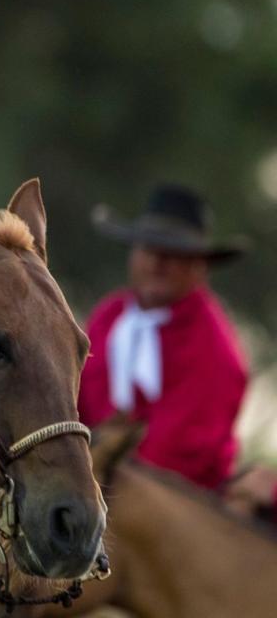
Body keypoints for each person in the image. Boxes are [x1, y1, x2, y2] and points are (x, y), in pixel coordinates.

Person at [77, 184, 249, 491]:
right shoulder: (109, 316)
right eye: (148, 249)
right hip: (91, 480)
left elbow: (177, 455)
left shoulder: (214, 347)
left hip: (166, 501)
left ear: (199, 266)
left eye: (173, 254)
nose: (157, 263)